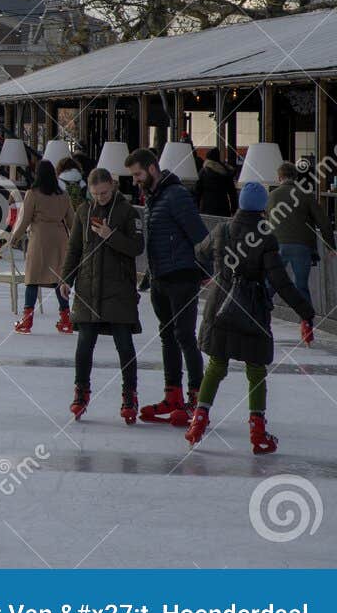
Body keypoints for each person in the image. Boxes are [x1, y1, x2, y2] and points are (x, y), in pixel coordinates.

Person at [186, 181, 317, 453]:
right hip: (252, 311)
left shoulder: (221, 230)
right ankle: (257, 432)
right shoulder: (266, 237)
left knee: (216, 366)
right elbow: (280, 282)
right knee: (256, 371)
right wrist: (306, 312)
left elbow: (199, 251)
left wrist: (208, 273)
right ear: (263, 208)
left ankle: (198, 421)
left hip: (220, 306)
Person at [126, 146, 210, 426]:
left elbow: (200, 235)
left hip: (183, 277)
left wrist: (205, 271)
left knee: (185, 336)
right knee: (167, 336)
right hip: (161, 278)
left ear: (152, 169)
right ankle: (172, 394)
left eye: (138, 174)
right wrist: (150, 275)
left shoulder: (176, 196)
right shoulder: (153, 198)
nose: (135, 180)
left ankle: (197, 400)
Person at [62, 168, 143, 423]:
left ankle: (129, 394)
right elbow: (75, 248)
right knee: (84, 345)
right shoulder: (83, 212)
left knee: (124, 345)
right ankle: (80, 391)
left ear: (113, 186)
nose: (100, 198)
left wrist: (111, 236)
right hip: (89, 289)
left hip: (119, 290)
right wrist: (67, 277)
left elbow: (136, 248)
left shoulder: (128, 212)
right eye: (96, 194)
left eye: (105, 192)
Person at [8, 159, 76, 334]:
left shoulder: (33, 193)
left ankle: (27, 321)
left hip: (40, 238)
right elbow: (72, 221)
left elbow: (25, 219)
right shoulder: (63, 195)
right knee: (58, 280)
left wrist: (14, 237)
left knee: (32, 279)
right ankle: (66, 319)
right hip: (60, 239)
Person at [268, 161, 330, 298]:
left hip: (277, 245)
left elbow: (266, 222)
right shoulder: (305, 194)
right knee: (301, 285)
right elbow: (323, 221)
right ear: (296, 177)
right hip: (302, 246)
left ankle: (259, 312)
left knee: (272, 282)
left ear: (279, 177)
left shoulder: (272, 195)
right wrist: (330, 246)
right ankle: (305, 318)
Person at [194, 147, 235, 216]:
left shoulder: (203, 172)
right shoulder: (225, 172)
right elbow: (232, 193)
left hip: (206, 209)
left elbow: (197, 192)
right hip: (223, 209)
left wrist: (195, 209)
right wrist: (234, 209)